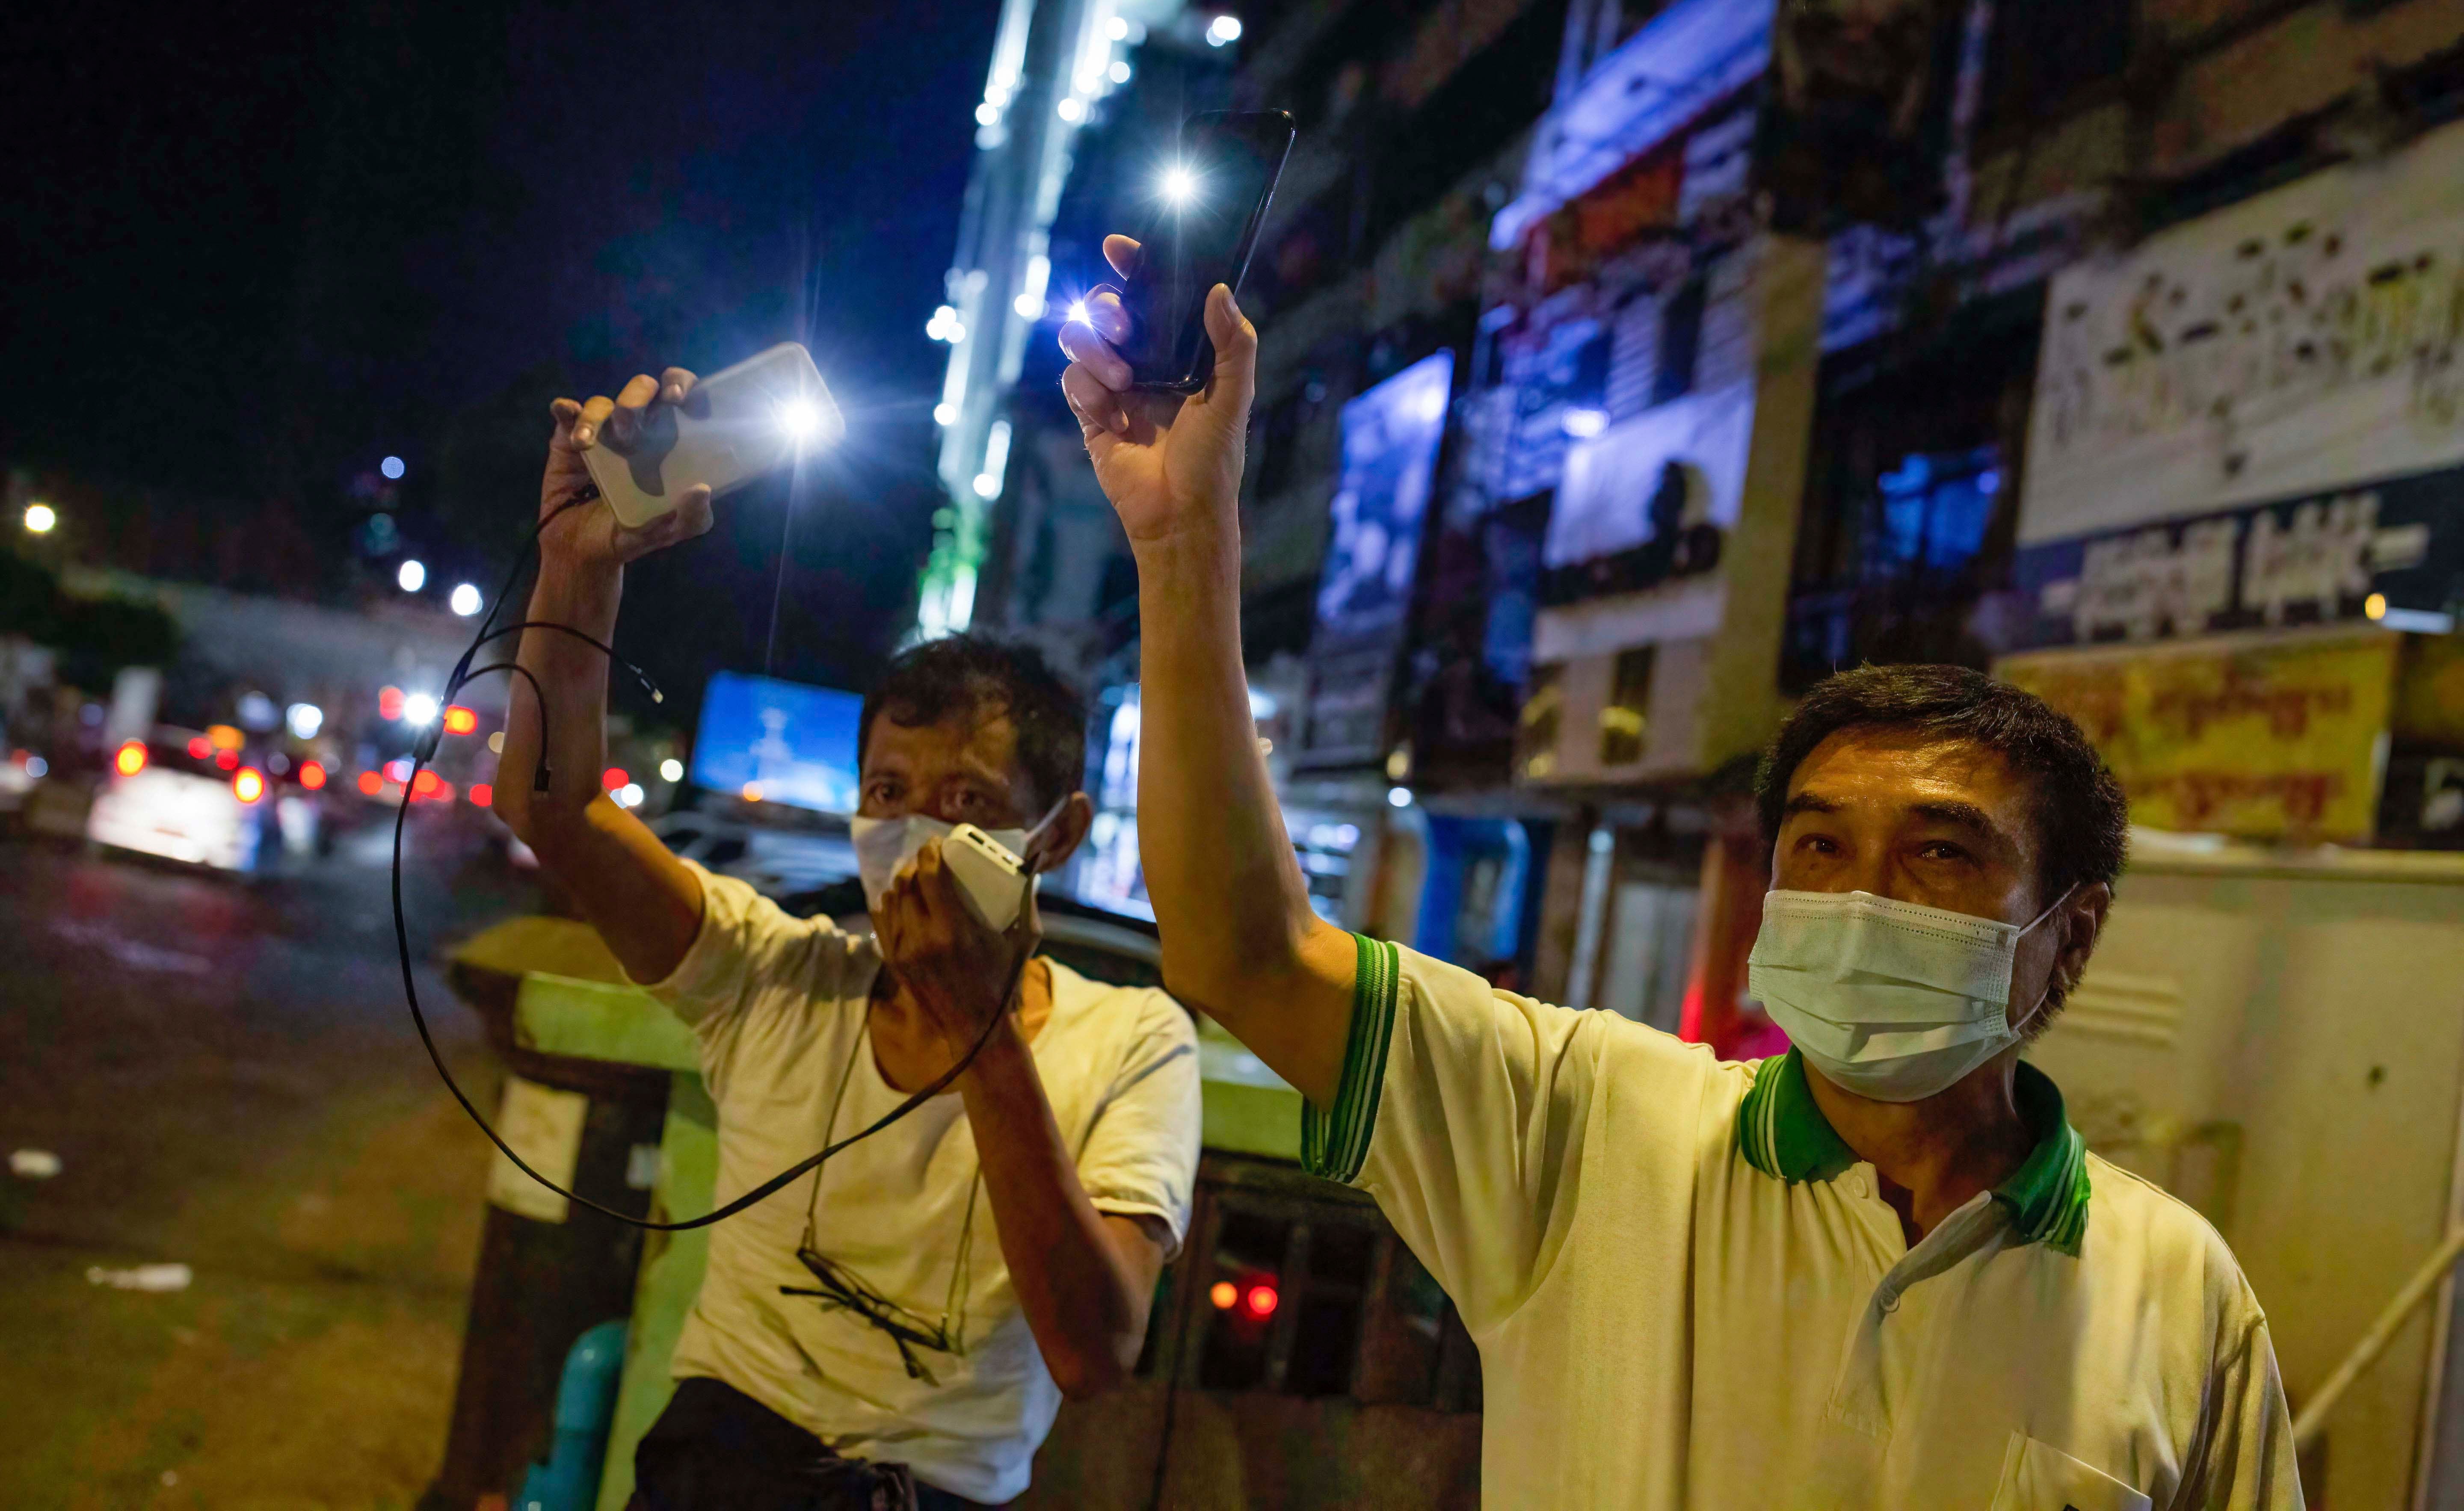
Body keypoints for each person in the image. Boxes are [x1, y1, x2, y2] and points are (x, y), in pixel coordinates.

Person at [1057, 243, 2301, 1507]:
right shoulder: (1588, 1128)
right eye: (1818, 847)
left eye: (1935, 853)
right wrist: (1182, 538)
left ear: (2071, 934)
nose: (1860, 896)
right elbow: (1240, 950)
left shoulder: (2183, 1298)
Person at [493, 369, 1201, 1511]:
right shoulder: (773, 973)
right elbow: (550, 805)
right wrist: (577, 567)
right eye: (887, 791)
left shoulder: (1133, 1042)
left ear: (1056, 836)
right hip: (716, 1472)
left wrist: (985, 1037)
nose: (915, 834)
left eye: (967, 802)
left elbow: (1094, 1354)